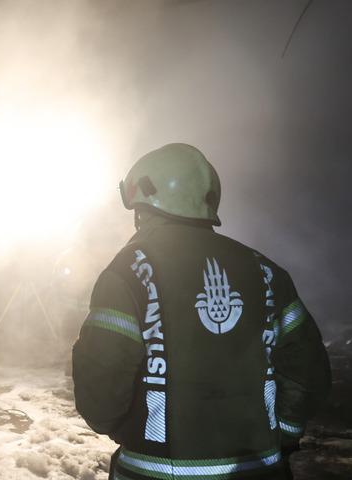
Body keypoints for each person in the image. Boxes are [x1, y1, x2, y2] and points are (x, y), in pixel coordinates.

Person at [72, 143, 331, 479]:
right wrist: (282, 434)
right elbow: (308, 373)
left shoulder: (128, 270)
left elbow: (100, 388)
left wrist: (129, 428)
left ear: (143, 204)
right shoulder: (267, 272)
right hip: (261, 471)